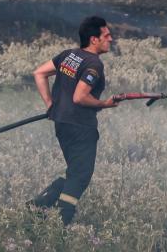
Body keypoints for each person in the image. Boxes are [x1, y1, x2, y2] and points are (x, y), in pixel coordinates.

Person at [28, 16, 117, 225]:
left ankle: (39, 206)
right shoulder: (94, 63)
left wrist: (51, 104)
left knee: (75, 173)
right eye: (106, 35)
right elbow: (79, 97)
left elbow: (39, 73)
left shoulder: (68, 55)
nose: (111, 39)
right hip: (81, 127)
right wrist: (105, 103)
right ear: (94, 39)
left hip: (62, 124)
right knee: (80, 176)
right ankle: (60, 222)